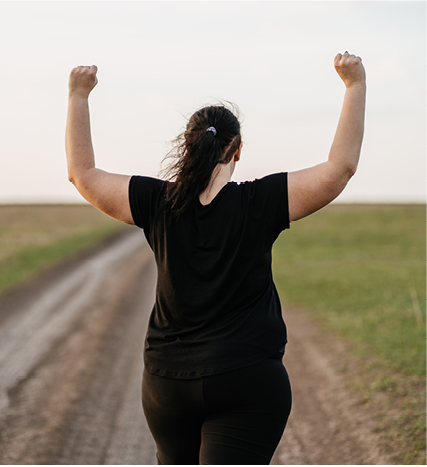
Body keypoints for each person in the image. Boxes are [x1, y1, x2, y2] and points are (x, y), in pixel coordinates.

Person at [66, 52, 366, 465]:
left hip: (166, 384)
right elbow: (340, 167)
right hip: (246, 379)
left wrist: (77, 95)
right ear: (237, 151)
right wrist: (355, 86)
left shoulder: (158, 201)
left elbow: (81, 173)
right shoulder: (260, 202)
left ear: (189, 146)